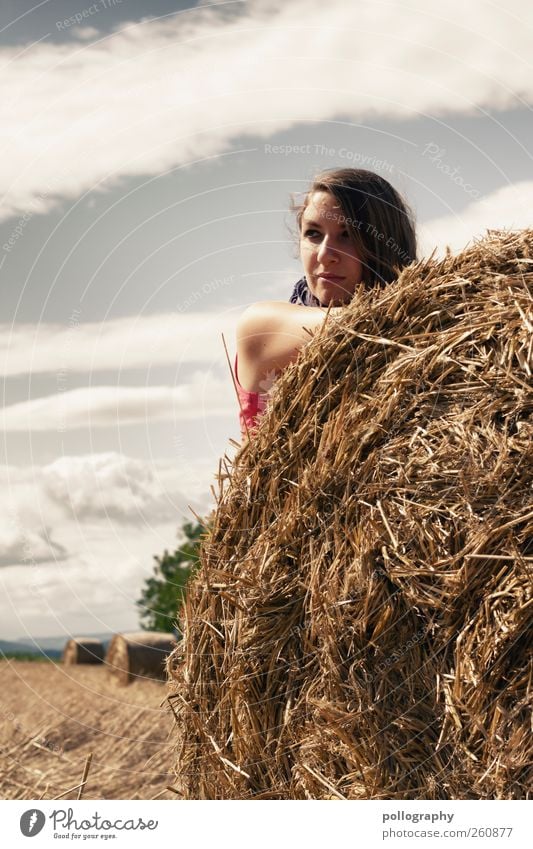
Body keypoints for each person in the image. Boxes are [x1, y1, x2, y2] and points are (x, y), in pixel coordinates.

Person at [234, 168, 417, 439]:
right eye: (313, 234)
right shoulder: (262, 324)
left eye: (347, 235)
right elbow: (370, 324)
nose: (325, 254)